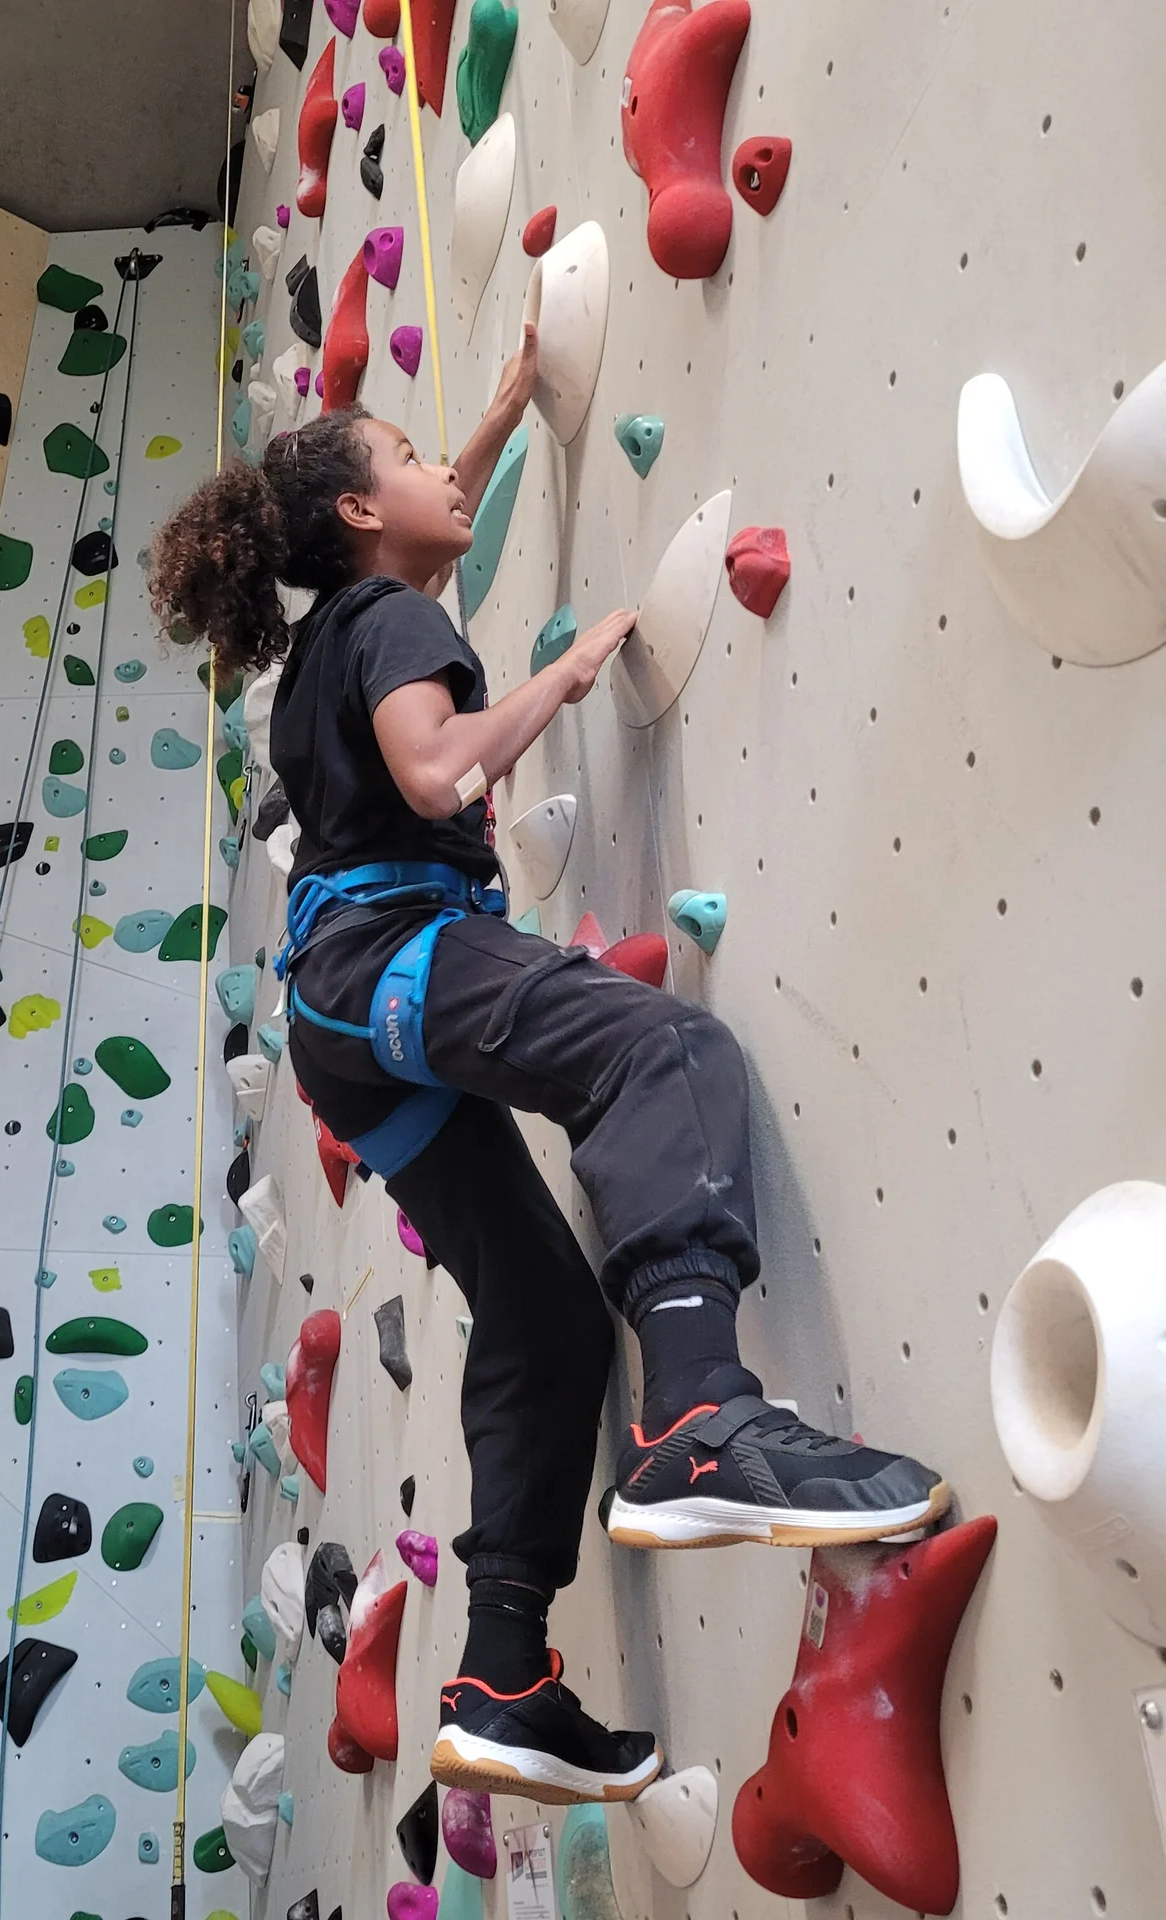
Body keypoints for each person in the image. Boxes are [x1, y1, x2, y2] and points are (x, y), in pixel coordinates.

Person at [148, 332, 949, 1806]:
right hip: (393, 960)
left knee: (542, 1319)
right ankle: (703, 1413)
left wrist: (515, 397)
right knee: (662, 1051)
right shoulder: (390, 627)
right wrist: (566, 674)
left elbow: (430, 532)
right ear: (358, 518)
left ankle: (502, 1672)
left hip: (348, 1029)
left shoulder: (346, 632)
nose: (443, 472)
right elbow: (442, 774)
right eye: (407, 458)